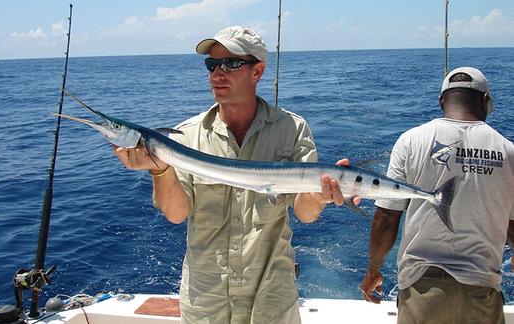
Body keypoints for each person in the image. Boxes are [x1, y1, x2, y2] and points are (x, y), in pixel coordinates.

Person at [114, 26, 349, 324]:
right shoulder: (185, 135)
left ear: (257, 71)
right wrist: (160, 170)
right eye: (212, 65)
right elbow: (176, 214)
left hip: (272, 298)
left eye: (231, 64)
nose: (217, 74)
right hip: (207, 301)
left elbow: (305, 213)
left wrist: (319, 194)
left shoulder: (292, 129)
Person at [360, 67, 514, 324]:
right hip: (481, 291)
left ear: (442, 101)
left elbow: (387, 217)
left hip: (420, 290)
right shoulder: (508, 152)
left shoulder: (410, 141)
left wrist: (373, 270)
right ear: (485, 100)